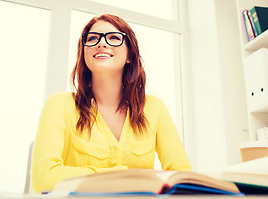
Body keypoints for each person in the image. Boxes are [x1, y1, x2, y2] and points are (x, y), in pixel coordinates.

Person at [31, 14, 192, 193]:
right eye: (92, 38)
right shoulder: (59, 105)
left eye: (114, 38)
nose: (101, 43)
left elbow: (183, 175)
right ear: (83, 52)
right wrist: (124, 176)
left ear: (130, 54)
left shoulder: (155, 108)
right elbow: (43, 179)